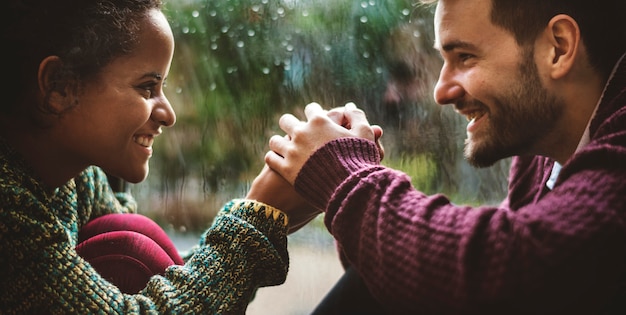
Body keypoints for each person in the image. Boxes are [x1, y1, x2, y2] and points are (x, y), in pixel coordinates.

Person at [265, 0, 626, 314]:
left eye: (465, 57)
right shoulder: (544, 156)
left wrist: (344, 178)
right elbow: (448, 280)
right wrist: (348, 192)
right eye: (443, 59)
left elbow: (514, 273)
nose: (441, 90)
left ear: (558, 48)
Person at [0, 0, 313, 314]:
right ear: (58, 87)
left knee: (134, 238)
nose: (169, 115)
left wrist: (267, 218)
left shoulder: (80, 179)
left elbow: (166, 282)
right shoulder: (9, 212)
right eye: (147, 88)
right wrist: (254, 222)